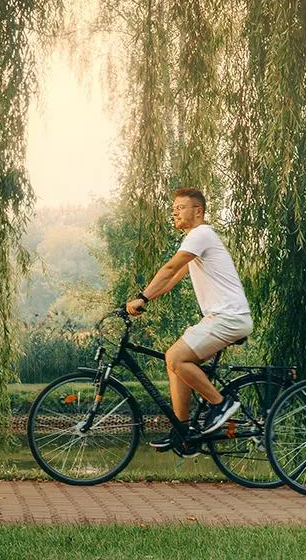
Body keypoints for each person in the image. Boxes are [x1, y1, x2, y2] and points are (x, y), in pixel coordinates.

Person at [125, 187, 253, 455]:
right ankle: (183, 433)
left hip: (228, 317)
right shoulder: (197, 241)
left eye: (180, 207)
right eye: (173, 208)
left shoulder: (201, 234)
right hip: (223, 318)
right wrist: (143, 301)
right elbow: (172, 279)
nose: (174, 212)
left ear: (198, 211)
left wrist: (141, 297)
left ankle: (221, 404)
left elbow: (170, 267)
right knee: (175, 365)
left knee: (175, 357)